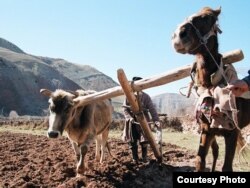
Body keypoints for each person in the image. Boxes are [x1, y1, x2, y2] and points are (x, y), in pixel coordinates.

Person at [122, 76, 161, 163]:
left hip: (144, 120)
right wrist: (130, 118)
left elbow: (152, 109)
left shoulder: (146, 97)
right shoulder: (128, 96)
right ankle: (135, 158)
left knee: (144, 140)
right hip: (132, 122)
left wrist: (156, 120)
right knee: (132, 140)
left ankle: (144, 157)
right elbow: (124, 109)